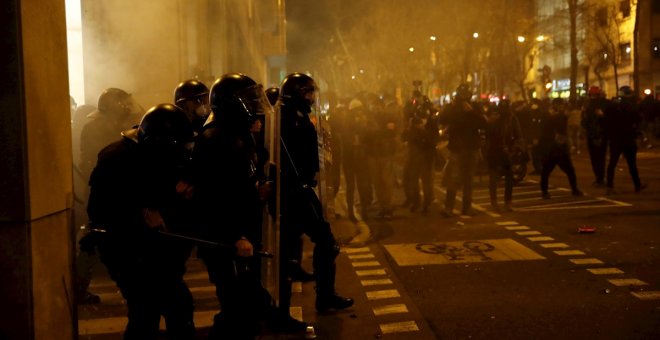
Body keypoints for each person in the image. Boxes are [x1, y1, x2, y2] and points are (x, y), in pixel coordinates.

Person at [192, 73, 303, 338]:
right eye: (248, 99)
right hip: (226, 237)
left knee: (246, 305)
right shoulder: (215, 139)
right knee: (236, 306)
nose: (255, 104)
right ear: (231, 102)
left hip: (239, 233)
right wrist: (237, 235)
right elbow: (217, 196)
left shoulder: (234, 134)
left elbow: (243, 174)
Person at [87, 104, 196, 340]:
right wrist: (141, 213)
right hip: (127, 250)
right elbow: (99, 210)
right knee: (146, 312)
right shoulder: (115, 159)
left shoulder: (159, 153)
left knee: (177, 307)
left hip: (157, 249)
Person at [278, 72, 354, 314]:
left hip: (300, 187)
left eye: (312, 92)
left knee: (291, 249)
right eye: (307, 92)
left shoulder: (297, 116)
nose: (311, 97)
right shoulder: (286, 119)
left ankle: (301, 303)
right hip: (294, 190)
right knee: (325, 242)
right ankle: (321, 298)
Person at [437, 84, 487, 217]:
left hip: (472, 147)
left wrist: (472, 112)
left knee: (468, 180)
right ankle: (448, 208)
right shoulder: (452, 108)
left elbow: (484, 123)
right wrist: (452, 108)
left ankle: (467, 207)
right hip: (457, 148)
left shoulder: (475, 107)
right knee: (453, 179)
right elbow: (441, 119)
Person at [401, 94, 439, 214]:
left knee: (426, 181)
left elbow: (433, 140)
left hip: (426, 156)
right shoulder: (413, 124)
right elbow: (404, 137)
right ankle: (416, 201)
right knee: (412, 180)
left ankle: (426, 204)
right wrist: (409, 128)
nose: (422, 120)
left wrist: (423, 131)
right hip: (415, 155)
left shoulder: (432, 124)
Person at [605, 86, 647, 194]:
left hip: (616, 138)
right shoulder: (631, 106)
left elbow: (607, 119)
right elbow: (638, 119)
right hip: (628, 137)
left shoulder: (613, 106)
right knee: (632, 164)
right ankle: (637, 185)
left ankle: (610, 186)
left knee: (612, 163)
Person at [484, 99, 524, 212]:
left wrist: (514, 148)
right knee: (493, 178)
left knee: (509, 177)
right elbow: (488, 134)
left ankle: (508, 202)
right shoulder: (495, 119)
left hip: (507, 151)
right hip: (494, 151)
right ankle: (494, 202)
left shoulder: (512, 119)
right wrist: (491, 121)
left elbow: (518, 134)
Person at [539, 98, 583, 199]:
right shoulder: (554, 116)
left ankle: (574, 189)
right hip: (553, 148)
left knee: (568, 170)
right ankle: (545, 191)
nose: (562, 107)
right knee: (547, 171)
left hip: (557, 147)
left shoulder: (556, 116)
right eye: (560, 105)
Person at [581, 86, 610, 187]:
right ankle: (600, 178)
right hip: (599, 134)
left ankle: (600, 178)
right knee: (599, 157)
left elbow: (584, 122)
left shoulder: (589, 105)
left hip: (596, 134)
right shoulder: (603, 103)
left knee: (597, 158)